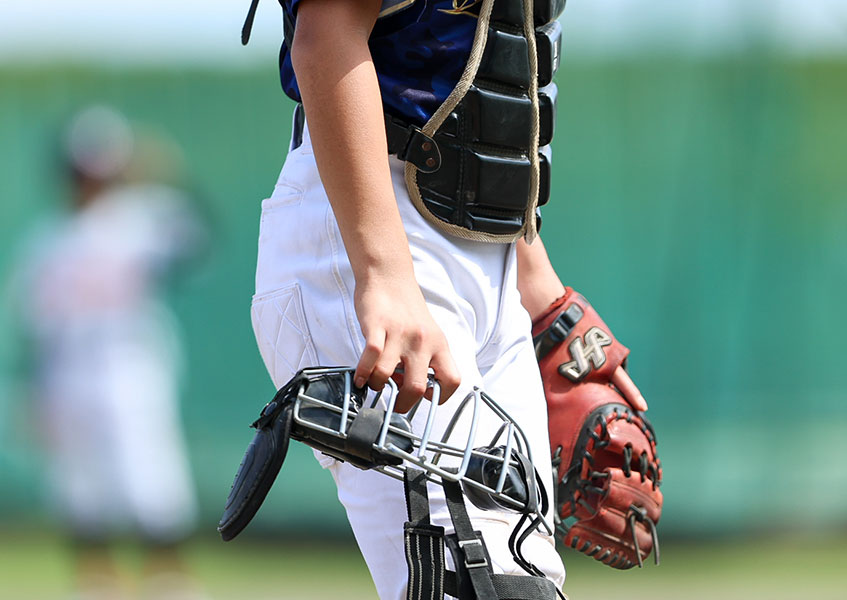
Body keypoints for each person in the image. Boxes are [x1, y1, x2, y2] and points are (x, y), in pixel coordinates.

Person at [244, 0, 653, 597]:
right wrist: (383, 272)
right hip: (378, 234)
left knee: (518, 582)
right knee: (479, 586)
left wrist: (539, 298)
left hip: (484, 258)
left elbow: (496, 72)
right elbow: (327, 32)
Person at [14, 106, 206, 600]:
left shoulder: (140, 218)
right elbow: (36, 324)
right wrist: (32, 389)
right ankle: (95, 581)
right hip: (68, 366)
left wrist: (162, 173)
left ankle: (168, 578)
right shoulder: (48, 239)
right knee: (77, 478)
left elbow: (197, 236)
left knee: (147, 467)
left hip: (129, 360)